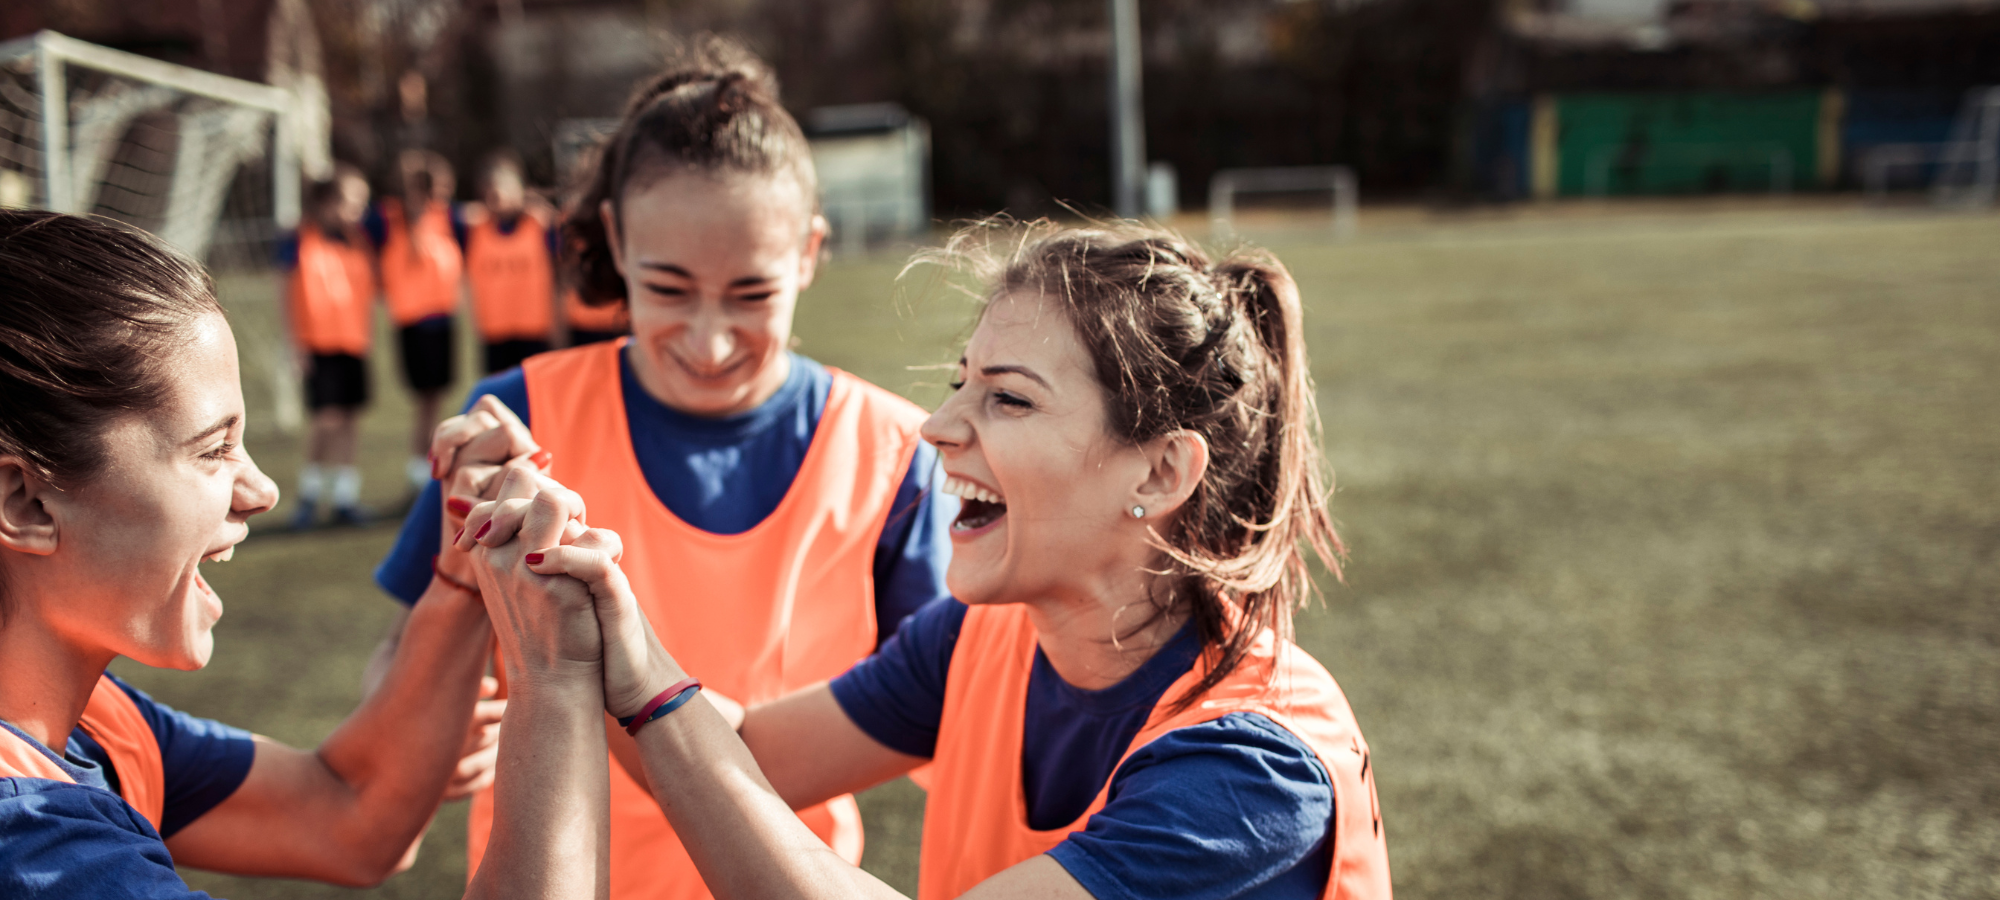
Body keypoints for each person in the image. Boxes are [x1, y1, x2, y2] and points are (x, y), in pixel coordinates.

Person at [460, 220, 1394, 899]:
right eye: (959, 386)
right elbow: (746, 761)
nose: (940, 428)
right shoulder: (981, 641)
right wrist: (607, 632)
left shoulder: (1247, 769)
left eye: (1008, 400)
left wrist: (638, 675)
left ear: (1161, 468)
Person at [377, 34, 957, 900]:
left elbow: (943, 725)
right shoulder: (520, 412)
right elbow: (397, 669)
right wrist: (437, 718)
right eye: (670, 288)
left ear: (809, 250)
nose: (712, 339)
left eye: (753, 292)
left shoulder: (896, 452)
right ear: (615, 238)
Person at [0, 209, 507, 895]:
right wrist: (569, 685)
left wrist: (463, 570)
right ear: (23, 502)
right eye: (213, 449)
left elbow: (346, 816)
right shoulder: (37, 849)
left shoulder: (92, 721)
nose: (261, 491)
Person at [283, 164, 376, 530]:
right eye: (353, 202)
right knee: (326, 421)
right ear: (327, 202)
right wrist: (295, 344)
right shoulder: (298, 239)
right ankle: (307, 497)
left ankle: (344, 498)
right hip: (317, 346)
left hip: (354, 343)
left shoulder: (359, 241)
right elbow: (285, 294)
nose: (359, 211)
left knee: (350, 419)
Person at [377, 149, 466, 498]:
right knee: (424, 401)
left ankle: (430, 470)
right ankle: (420, 473)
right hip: (413, 324)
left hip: (443, 320)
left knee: (436, 400)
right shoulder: (392, 218)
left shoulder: (448, 218)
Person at [465, 151, 559, 374]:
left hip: (534, 330)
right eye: (492, 187)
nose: (498, 194)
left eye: (505, 187)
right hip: (494, 332)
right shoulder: (472, 228)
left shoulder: (541, 225)